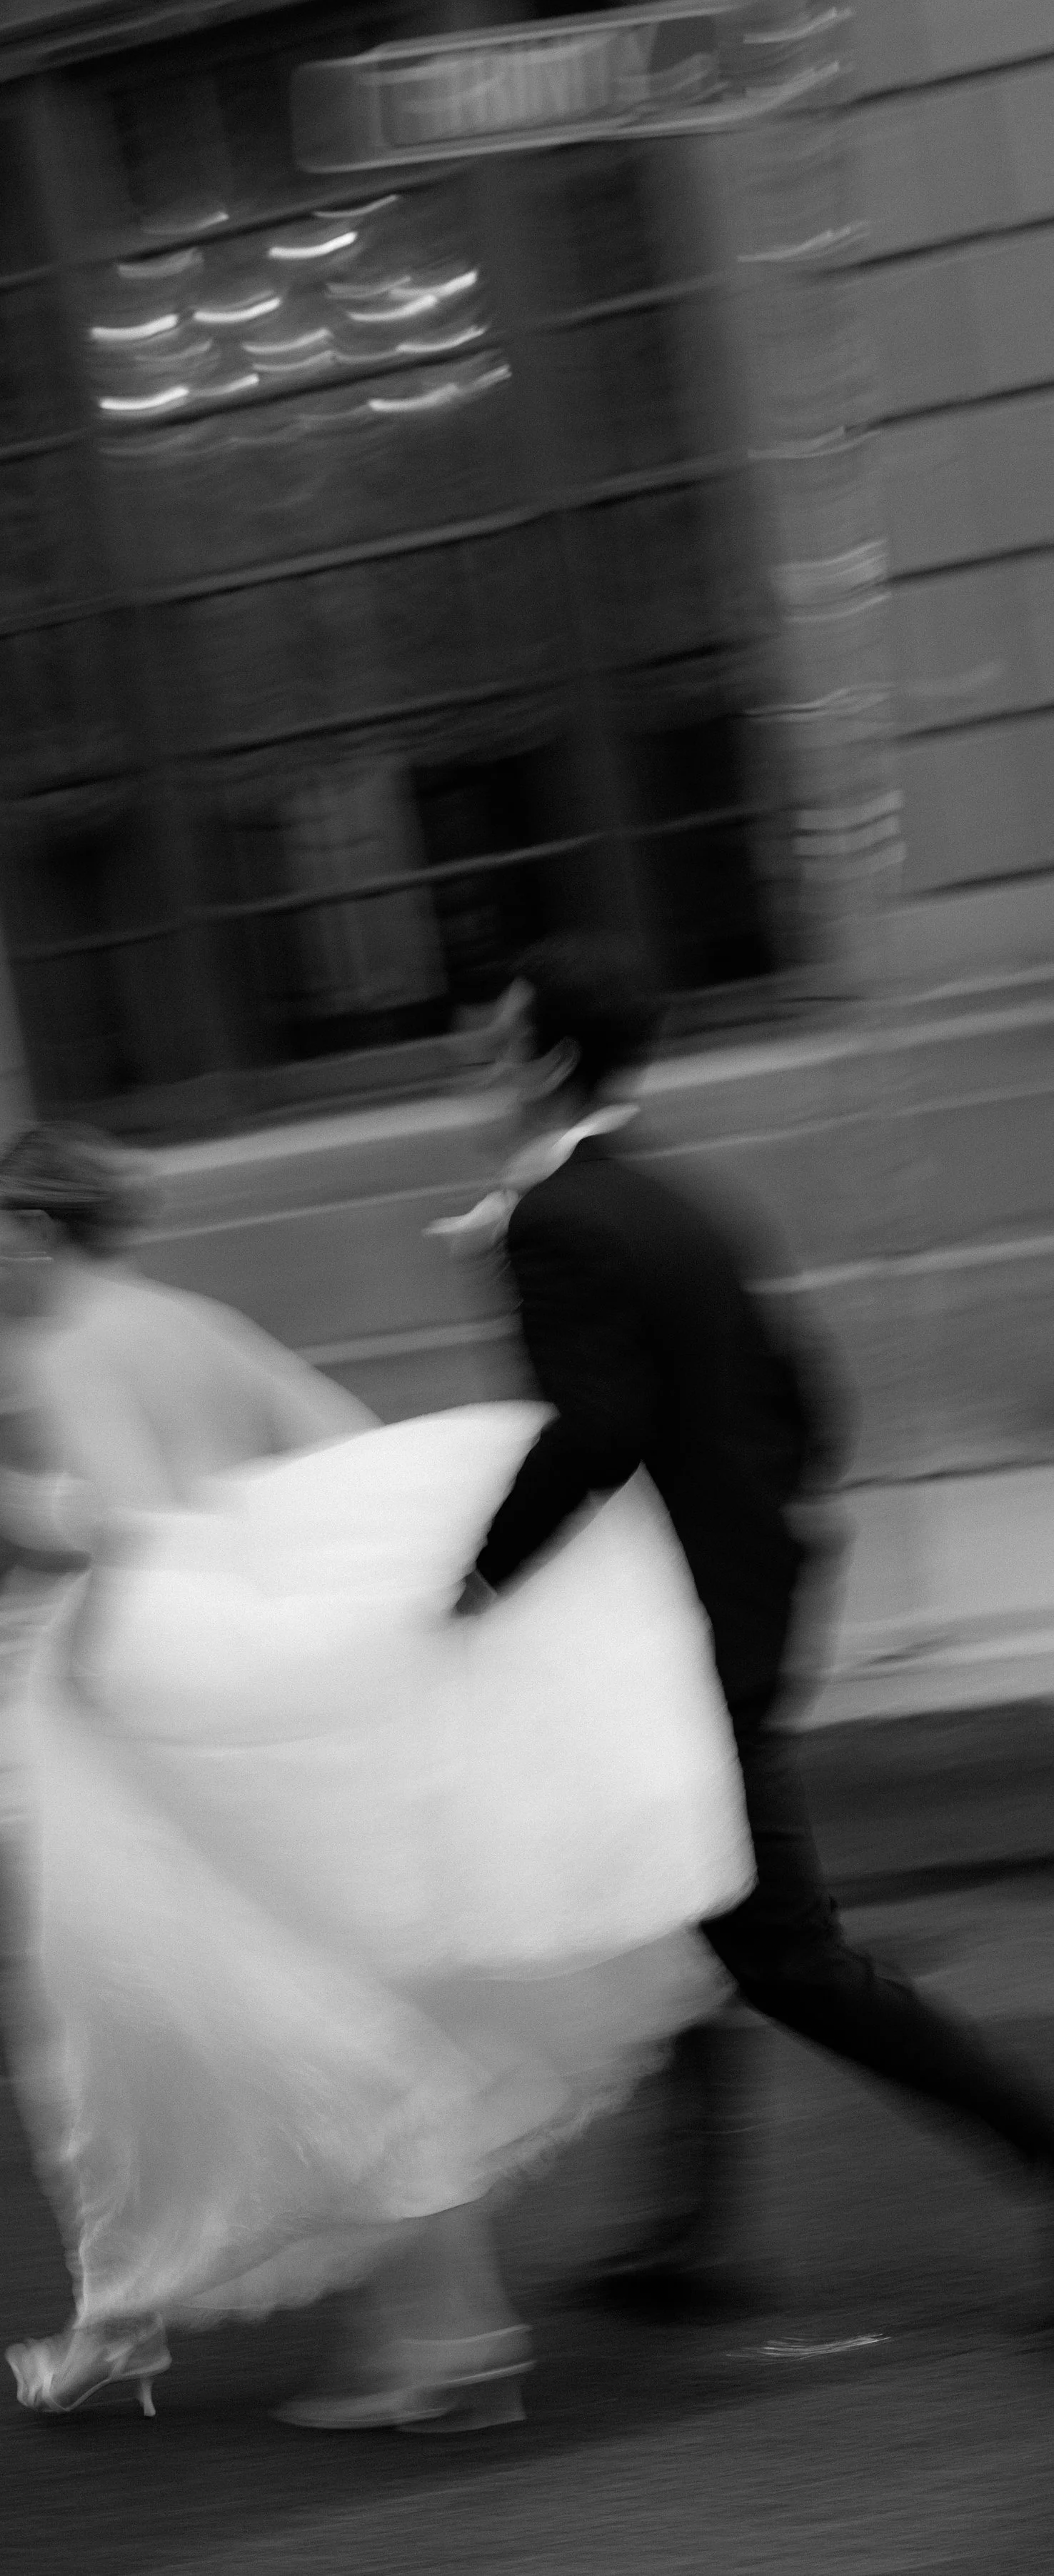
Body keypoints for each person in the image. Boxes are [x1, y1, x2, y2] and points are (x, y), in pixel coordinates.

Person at [0, 1121, 754, 2430]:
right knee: (329, 1976)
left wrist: (56, 1562)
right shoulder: (195, 1319)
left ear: (40, 1231)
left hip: (160, 1681)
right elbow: (336, 1433)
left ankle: (244, 2327)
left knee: (203, 1998)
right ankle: (426, 2337)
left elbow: (122, 1520)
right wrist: (289, 1576)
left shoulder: (56, 1342)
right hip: (262, 1659)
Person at [447, 933, 1054, 2312]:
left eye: (489, 1049)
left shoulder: (558, 1221)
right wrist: (745, 1551)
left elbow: (593, 1430)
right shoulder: (684, 1197)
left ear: (544, 1061)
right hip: (748, 1606)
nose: (475, 1075)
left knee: (784, 1954)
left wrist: (482, 1579)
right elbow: (806, 1401)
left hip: (693, 1646)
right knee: (679, 1910)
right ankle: (684, 2234)